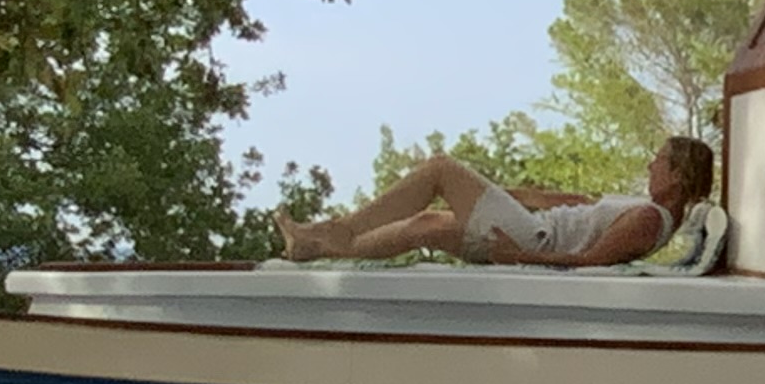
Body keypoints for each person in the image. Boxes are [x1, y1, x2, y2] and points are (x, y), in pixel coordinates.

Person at [280, 135, 715, 269]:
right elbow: (587, 210)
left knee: (440, 169)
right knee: (425, 226)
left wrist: (517, 255)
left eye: (657, 162)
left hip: (533, 240)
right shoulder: (649, 213)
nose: (649, 166)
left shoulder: (648, 219)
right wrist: (532, 197)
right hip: (533, 226)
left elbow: (591, 260)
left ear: (677, 175)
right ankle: (315, 247)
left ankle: (342, 229)